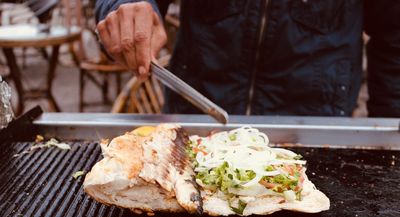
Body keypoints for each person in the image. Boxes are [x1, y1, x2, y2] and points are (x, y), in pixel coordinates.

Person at [95, 0, 400, 117]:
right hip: (197, 126)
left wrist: (389, 143)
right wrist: (125, 7)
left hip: (313, 132)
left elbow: (394, 31)